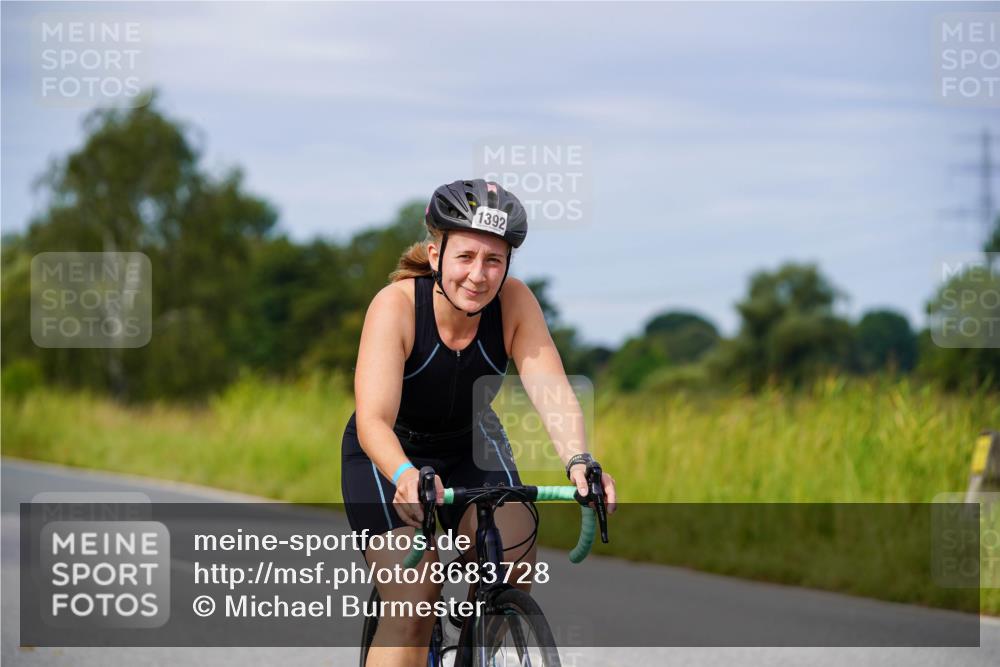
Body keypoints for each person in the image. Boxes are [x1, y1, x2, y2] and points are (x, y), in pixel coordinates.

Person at [341, 179, 617, 667]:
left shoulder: (514, 301)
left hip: (471, 445)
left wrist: (579, 462)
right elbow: (374, 420)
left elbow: (551, 388)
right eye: (466, 257)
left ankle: (476, 649)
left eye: (494, 260)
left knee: (510, 561)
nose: (479, 275)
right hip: (390, 454)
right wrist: (406, 477)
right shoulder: (397, 306)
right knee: (414, 598)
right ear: (434, 255)